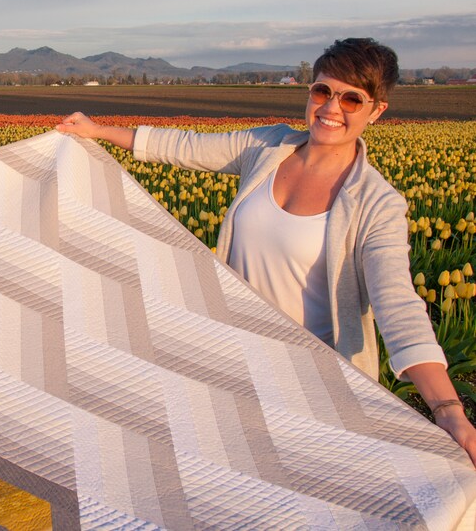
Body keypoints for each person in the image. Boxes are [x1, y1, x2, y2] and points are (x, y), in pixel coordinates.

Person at [57, 37, 476, 466]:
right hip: (231, 361)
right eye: (323, 91)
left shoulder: (376, 203)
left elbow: (397, 303)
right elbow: (185, 147)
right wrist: (98, 132)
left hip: (312, 383)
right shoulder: (268, 149)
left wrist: (447, 410)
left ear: (377, 110)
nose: (332, 109)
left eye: (352, 99)